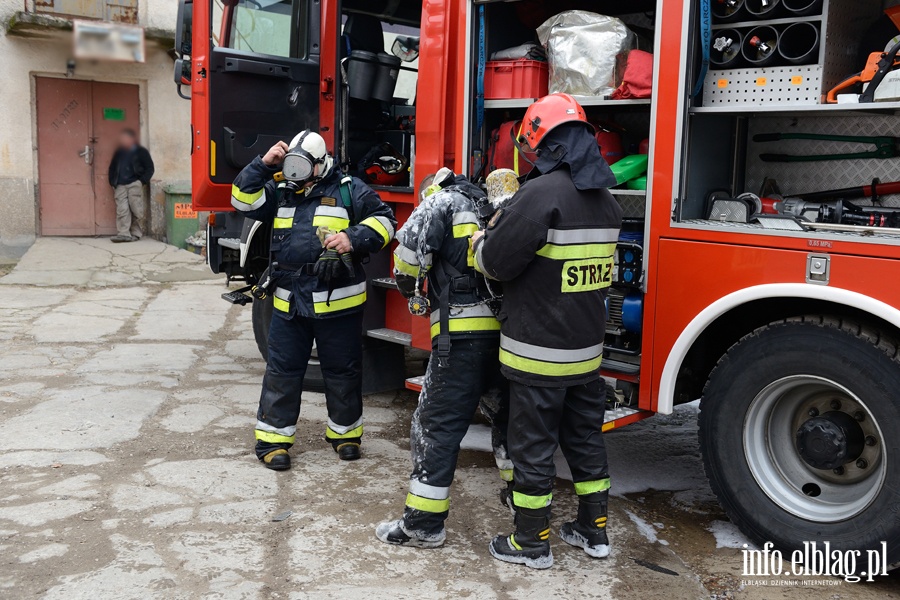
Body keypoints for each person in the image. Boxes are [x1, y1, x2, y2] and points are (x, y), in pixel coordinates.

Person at [472, 93, 624, 569]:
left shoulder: (538, 196)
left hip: (536, 352)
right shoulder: (607, 202)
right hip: (586, 354)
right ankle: (593, 531)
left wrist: (480, 242)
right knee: (584, 441)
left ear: (542, 142)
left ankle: (530, 542)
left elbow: (496, 265)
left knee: (532, 449)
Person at [231, 130, 396, 470]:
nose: (297, 174)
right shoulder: (281, 192)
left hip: (339, 303)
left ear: (320, 164)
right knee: (283, 371)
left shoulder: (349, 190)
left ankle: (345, 435)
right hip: (290, 301)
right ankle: (274, 441)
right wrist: (263, 165)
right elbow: (242, 200)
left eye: (303, 167)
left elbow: (386, 222)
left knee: (343, 372)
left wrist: (353, 237)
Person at [375, 168, 512, 548]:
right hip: (507, 337)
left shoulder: (439, 202)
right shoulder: (494, 205)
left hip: (460, 339)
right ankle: (522, 505)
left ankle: (423, 525)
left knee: (435, 427)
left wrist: (411, 289)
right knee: (510, 422)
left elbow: (405, 260)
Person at [108, 128, 154, 243]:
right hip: (120, 185)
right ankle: (123, 234)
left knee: (136, 209)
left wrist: (141, 181)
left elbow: (150, 169)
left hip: (134, 183)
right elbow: (112, 167)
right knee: (122, 209)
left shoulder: (141, 152)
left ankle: (136, 233)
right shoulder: (119, 152)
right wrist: (112, 182)